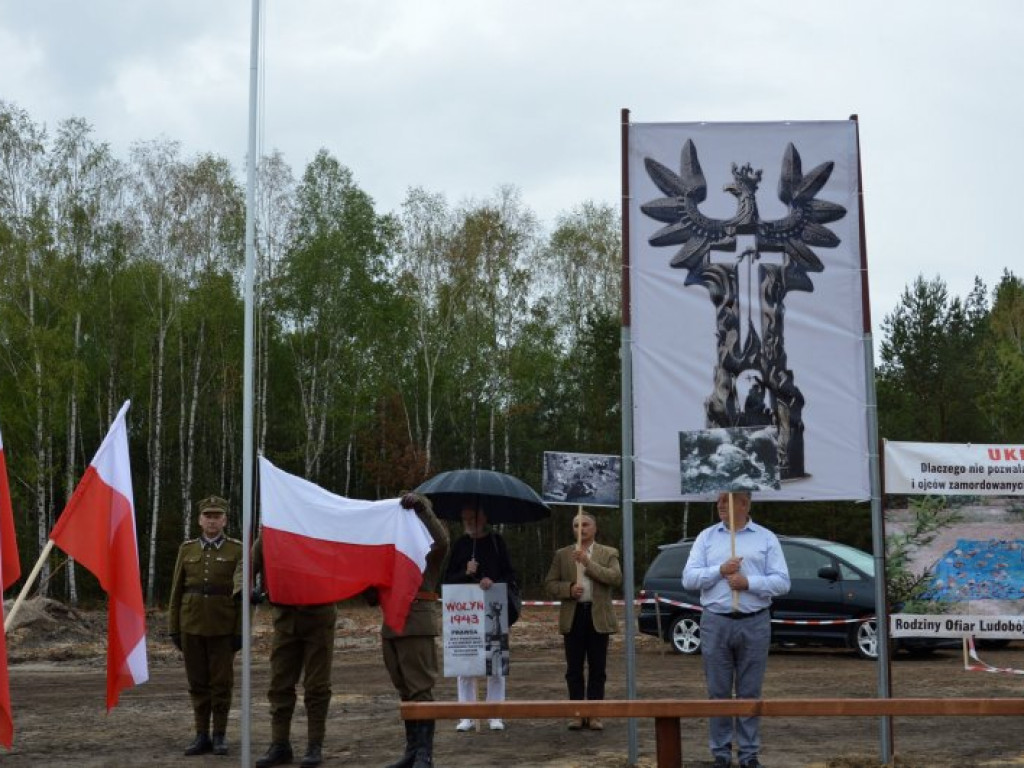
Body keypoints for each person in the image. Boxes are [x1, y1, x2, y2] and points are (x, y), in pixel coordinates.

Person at [682, 491, 791, 768]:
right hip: (715, 621)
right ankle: (720, 753)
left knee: (750, 692)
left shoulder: (766, 538)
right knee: (717, 692)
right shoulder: (706, 537)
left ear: (745, 504)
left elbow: (782, 582)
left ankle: (748, 754)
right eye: (718, 501)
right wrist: (719, 570)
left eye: (727, 500)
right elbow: (689, 579)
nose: (720, 505)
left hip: (755, 621)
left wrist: (749, 583)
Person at [167, 495, 244, 757]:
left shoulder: (237, 549)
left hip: (223, 627)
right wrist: (174, 627)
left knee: (221, 684)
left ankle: (220, 735)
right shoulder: (187, 549)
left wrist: (241, 630)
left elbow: (242, 596)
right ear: (200, 520)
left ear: (225, 520)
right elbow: (176, 591)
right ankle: (201, 735)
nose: (212, 520)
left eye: (217, 516)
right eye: (208, 516)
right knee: (197, 683)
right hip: (191, 625)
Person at [252, 535, 337, 768]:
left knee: (317, 686)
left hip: (318, 618)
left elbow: (344, 560)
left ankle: (314, 745)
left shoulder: (323, 531)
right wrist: (245, 588)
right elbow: (248, 565)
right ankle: (279, 744)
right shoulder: (271, 534)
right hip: (285, 619)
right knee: (279, 684)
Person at [383, 491, 450, 768]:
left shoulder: (428, 551)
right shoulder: (392, 550)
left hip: (416, 622)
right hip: (391, 623)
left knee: (420, 690)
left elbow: (443, 541)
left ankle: (425, 754)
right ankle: (412, 751)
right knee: (405, 691)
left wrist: (422, 509)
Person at [544, 511, 622, 731]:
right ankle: (577, 713)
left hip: (598, 617)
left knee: (598, 669)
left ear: (595, 528)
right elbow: (550, 584)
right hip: (574, 616)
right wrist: (568, 589)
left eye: (585, 525)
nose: (581, 529)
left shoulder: (609, 553)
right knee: (574, 669)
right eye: (576, 525)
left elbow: (615, 578)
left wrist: (587, 563)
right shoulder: (562, 554)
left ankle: (595, 714)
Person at [443, 504, 517, 732]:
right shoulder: (460, 545)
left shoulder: (497, 542)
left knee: (495, 663)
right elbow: (446, 580)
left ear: (483, 517)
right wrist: (465, 573)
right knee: (464, 664)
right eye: (465, 518)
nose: (468, 521)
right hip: (464, 612)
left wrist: (492, 581)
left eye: (473, 517)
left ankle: (495, 713)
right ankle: (466, 715)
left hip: (493, 608)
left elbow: (511, 575)